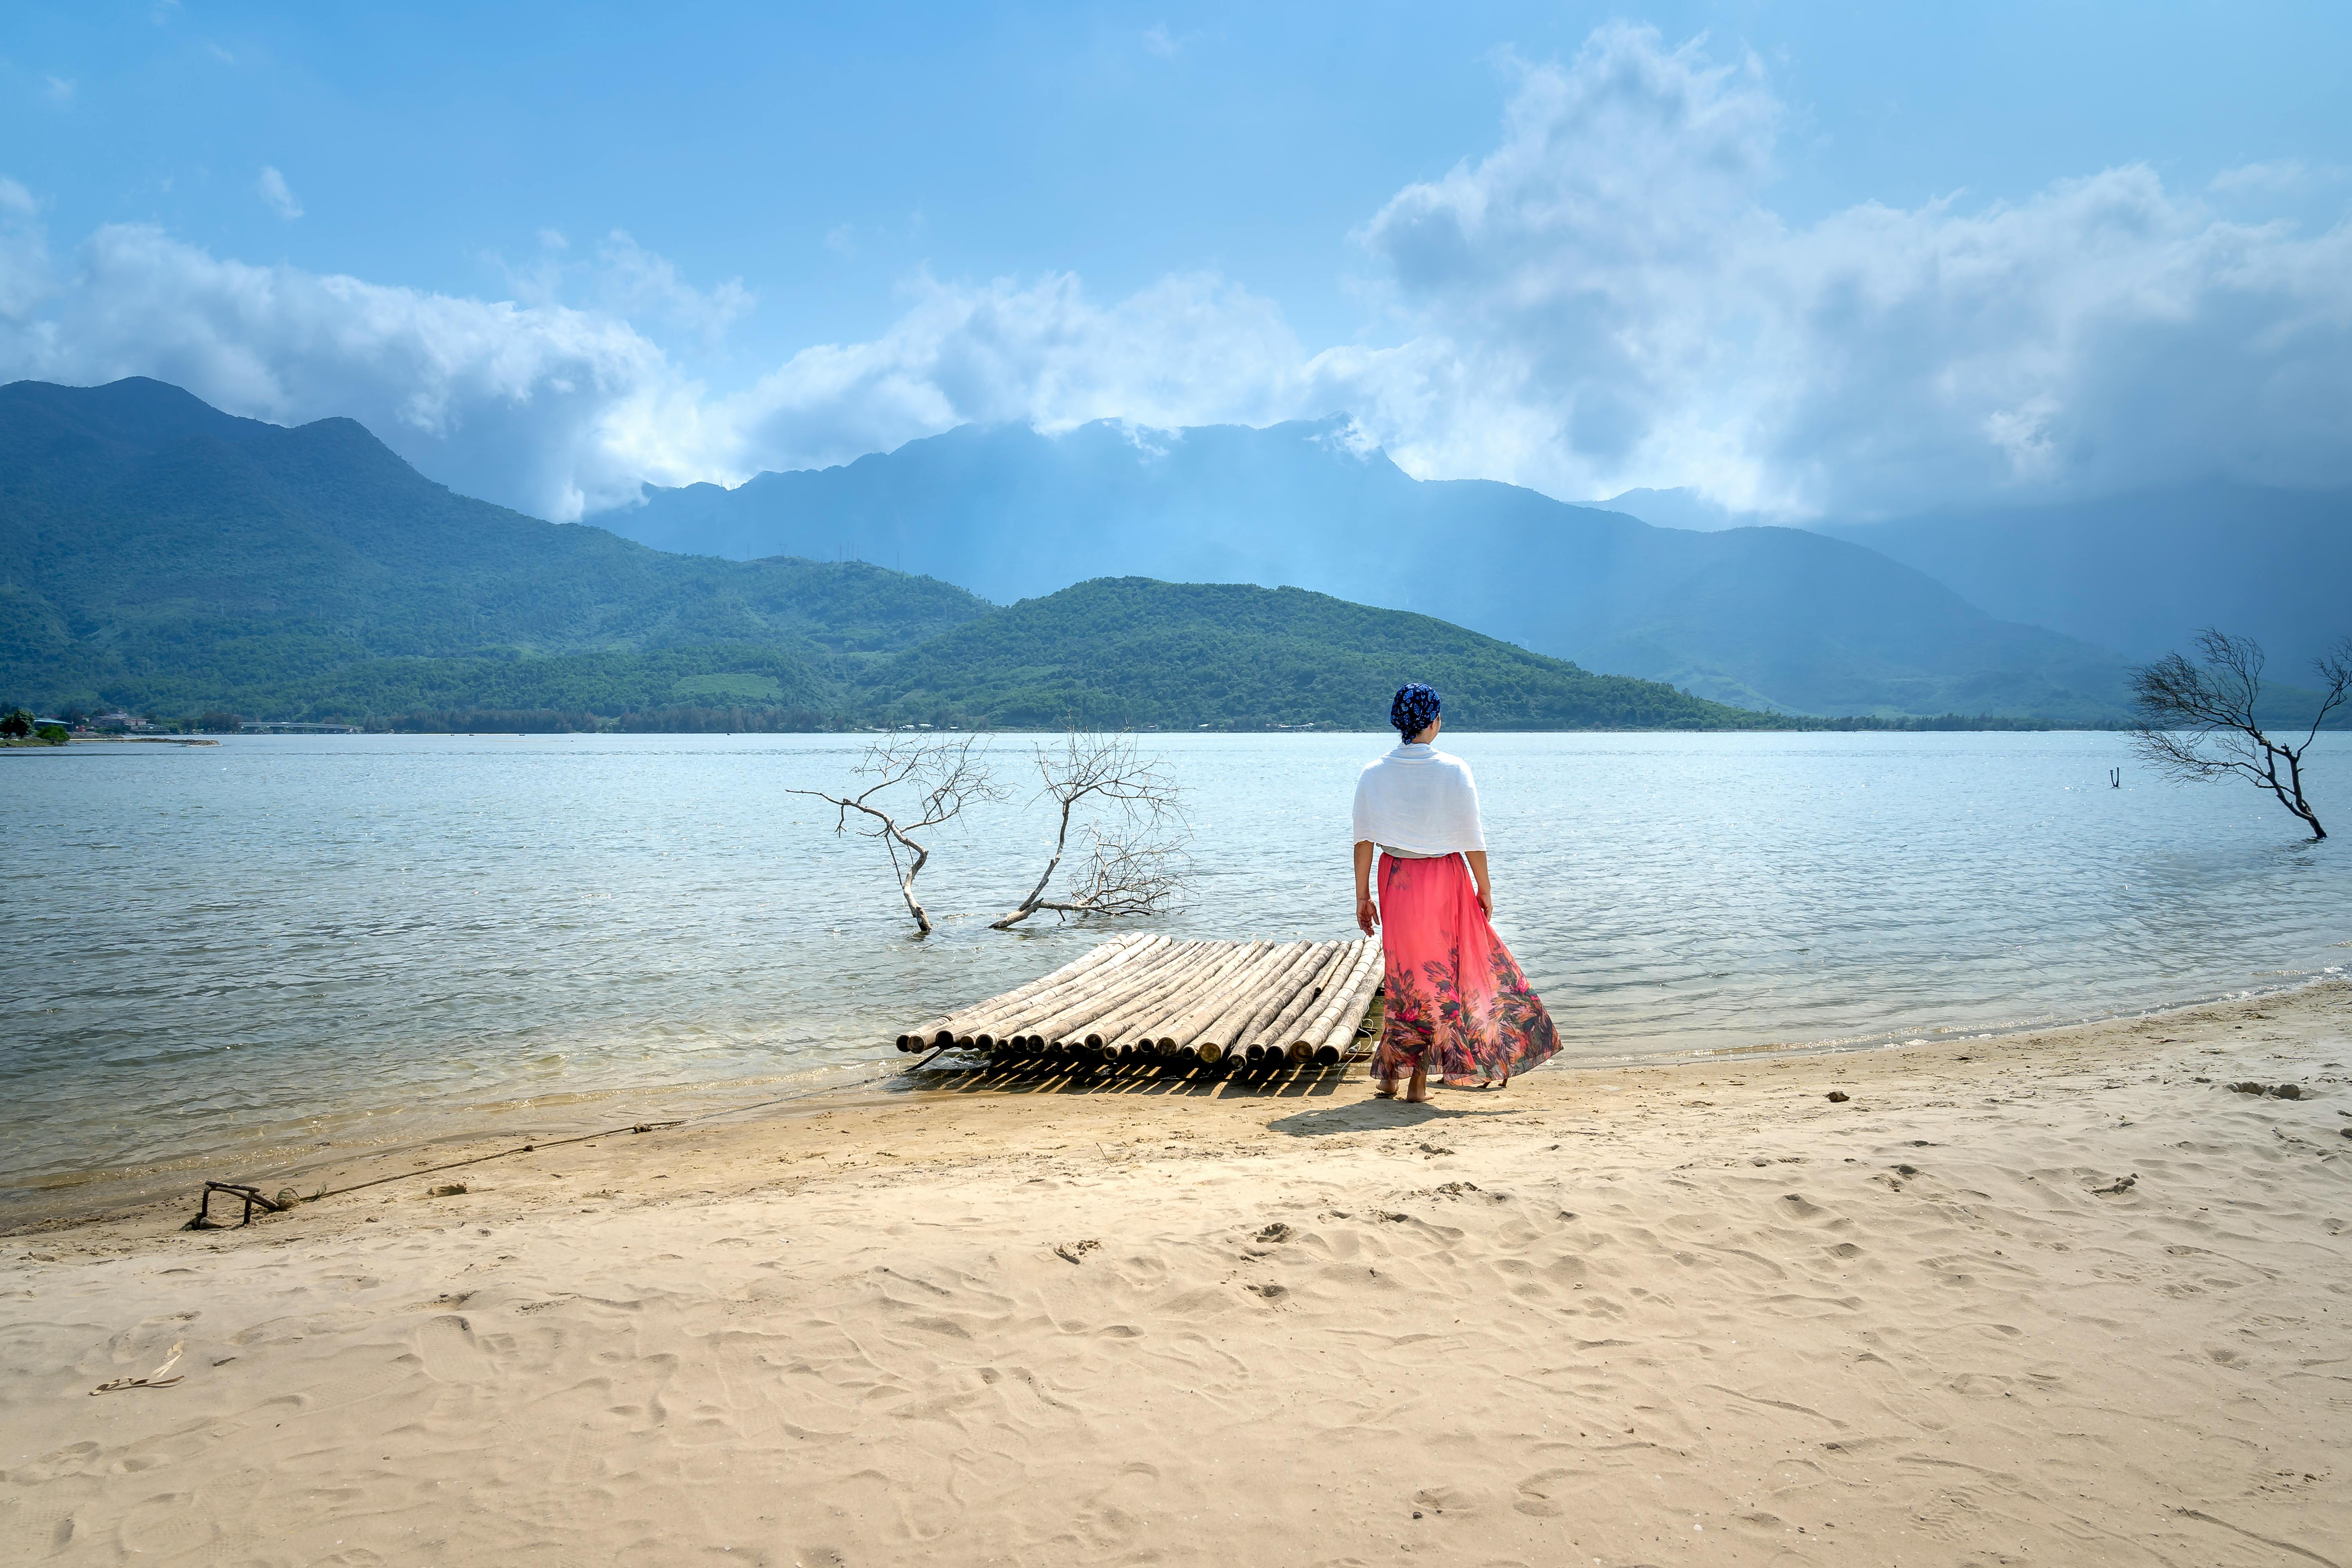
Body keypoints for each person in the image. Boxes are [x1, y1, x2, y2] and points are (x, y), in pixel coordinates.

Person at [1351, 683, 1561, 1102]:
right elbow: (1471, 837)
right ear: (1433, 721)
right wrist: (1485, 886)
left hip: (1396, 878)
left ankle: (1391, 1076)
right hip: (1445, 877)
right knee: (1441, 976)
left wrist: (1363, 897)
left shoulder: (1373, 773)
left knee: (1404, 975)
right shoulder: (1454, 769)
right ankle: (1416, 1081)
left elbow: (1364, 841)